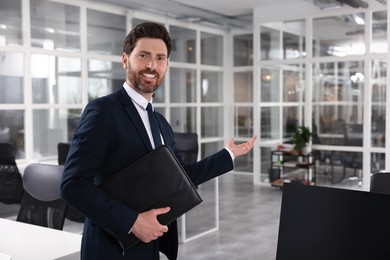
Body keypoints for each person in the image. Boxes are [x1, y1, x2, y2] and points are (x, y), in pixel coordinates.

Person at [60, 21, 256, 260]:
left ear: (166, 65)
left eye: (160, 58)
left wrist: (228, 155)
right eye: (143, 55)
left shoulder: (160, 123)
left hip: (150, 246)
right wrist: (133, 222)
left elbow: (181, 177)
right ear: (125, 60)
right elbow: (73, 185)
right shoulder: (103, 112)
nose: (152, 65)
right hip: (112, 248)